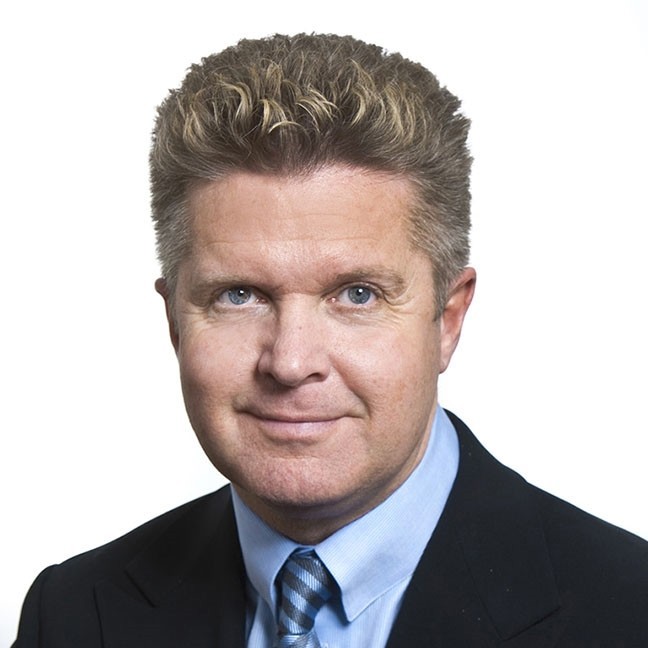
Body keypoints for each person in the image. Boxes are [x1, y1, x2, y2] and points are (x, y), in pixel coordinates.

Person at [13, 33, 648, 647]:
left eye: (357, 294)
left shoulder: (629, 612)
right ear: (175, 322)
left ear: (448, 319)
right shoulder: (73, 615)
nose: (291, 362)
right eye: (239, 295)